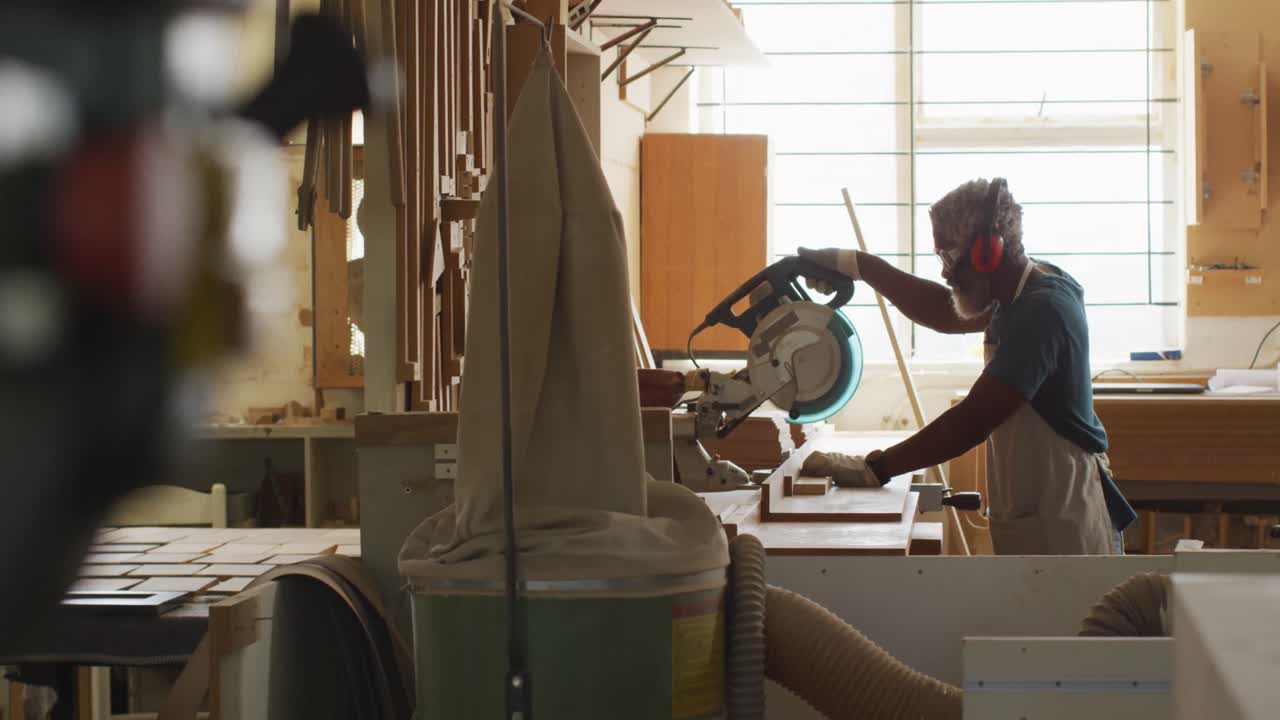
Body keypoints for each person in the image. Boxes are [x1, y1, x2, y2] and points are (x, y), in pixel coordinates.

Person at [798, 177, 1135, 555]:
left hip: (1064, 515)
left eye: (948, 256)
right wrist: (857, 264)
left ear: (987, 253)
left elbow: (971, 421)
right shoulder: (1018, 289)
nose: (944, 271)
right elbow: (947, 311)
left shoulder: (1042, 311)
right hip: (1038, 503)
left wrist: (876, 468)